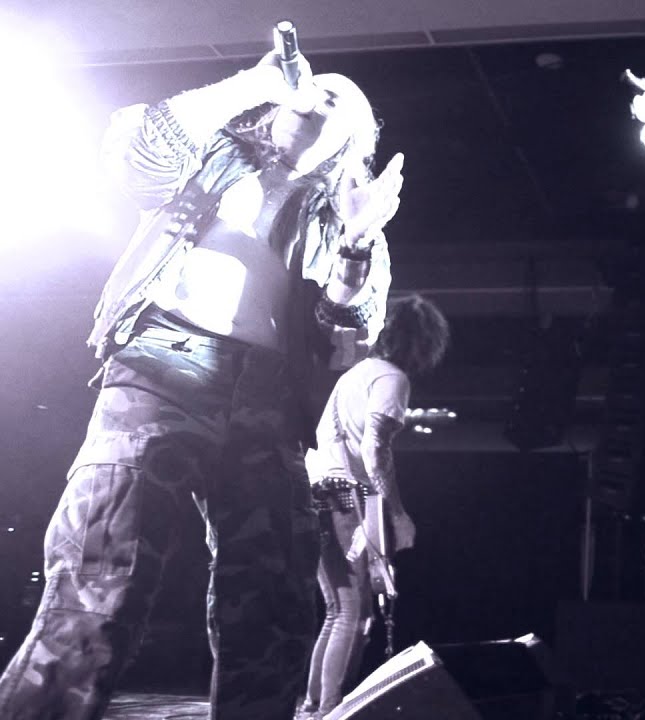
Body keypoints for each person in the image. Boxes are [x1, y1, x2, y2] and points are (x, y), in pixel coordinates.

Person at [0, 49, 403, 720]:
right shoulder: (212, 155)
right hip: (161, 368)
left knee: (274, 606)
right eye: (309, 89)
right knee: (101, 578)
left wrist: (357, 244)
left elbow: (348, 333)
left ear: (352, 143)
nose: (315, 97)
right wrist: (255, 81)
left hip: (268, 403)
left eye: (336, 100)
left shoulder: (349, 217)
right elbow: (132, 153)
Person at [299, 294, 449, 719]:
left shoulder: (357, 374)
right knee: (352, 613)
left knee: (343, 611)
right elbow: (374, 449)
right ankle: (329, 710)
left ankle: (313, 705)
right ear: (423, 343)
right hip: (342, 494)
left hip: (319, 491)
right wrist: (397, 515)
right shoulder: (392, 379)